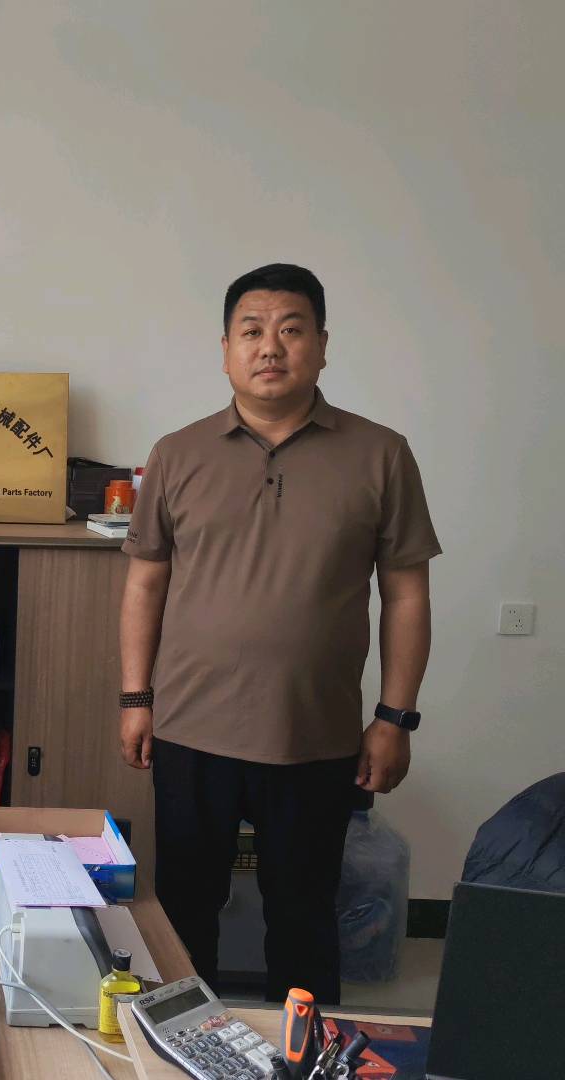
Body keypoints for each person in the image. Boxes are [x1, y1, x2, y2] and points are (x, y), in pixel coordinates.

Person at [119, 263, 440, 1004]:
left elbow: (406, 593)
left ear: (322, 346)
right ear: (225, 349)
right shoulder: (178, 453)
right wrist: (136, 697)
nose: (271, 347)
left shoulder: (380, 454)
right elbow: (145, 582)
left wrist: (395, 717)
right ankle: (187, 1045)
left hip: (313, 733)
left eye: (292, 330)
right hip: (191, 727)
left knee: (303, 916)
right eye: (252, 331)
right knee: (184, 911)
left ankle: (302, 1052)